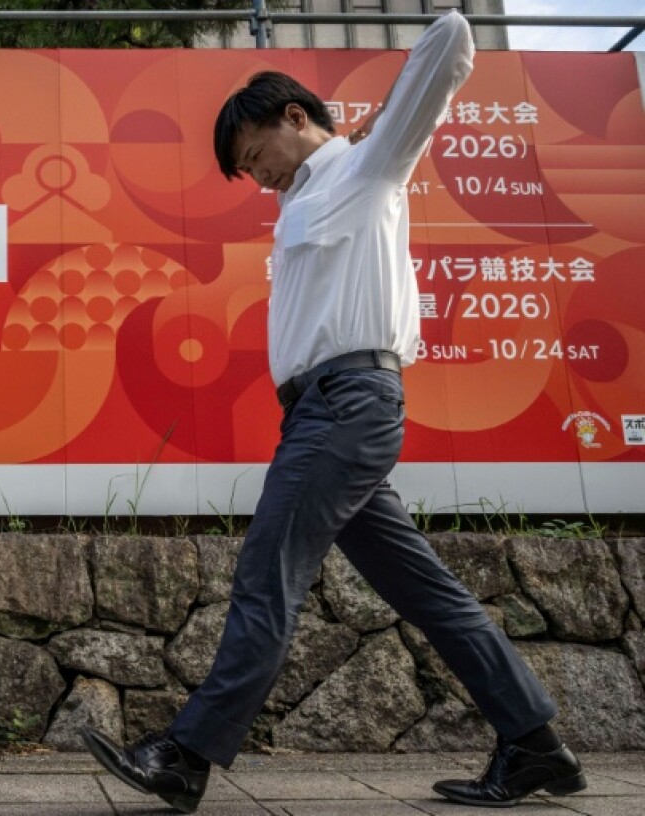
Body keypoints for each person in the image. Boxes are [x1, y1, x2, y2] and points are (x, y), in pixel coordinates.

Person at [80, 11, 586, 813]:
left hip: (348, 406)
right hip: (328, 412)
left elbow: (453, 36)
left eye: (256, 158)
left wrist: (376, 122)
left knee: (266, 572)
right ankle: (535, 745)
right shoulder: (303, 204)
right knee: (429, 594)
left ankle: (186, 754)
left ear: (293, 118)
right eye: (245, 174)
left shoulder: (367, 165)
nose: (258, 179)